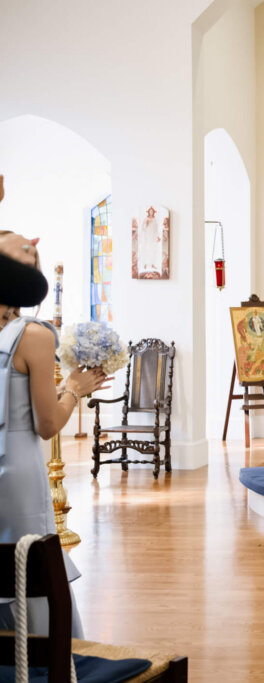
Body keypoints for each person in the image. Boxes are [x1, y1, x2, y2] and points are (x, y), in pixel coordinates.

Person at [0, 229, 110, 638]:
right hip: (17, 474)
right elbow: (47, 425)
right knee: (28, 570)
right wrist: (74, 390)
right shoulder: (33, 335)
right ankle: (50, 659)